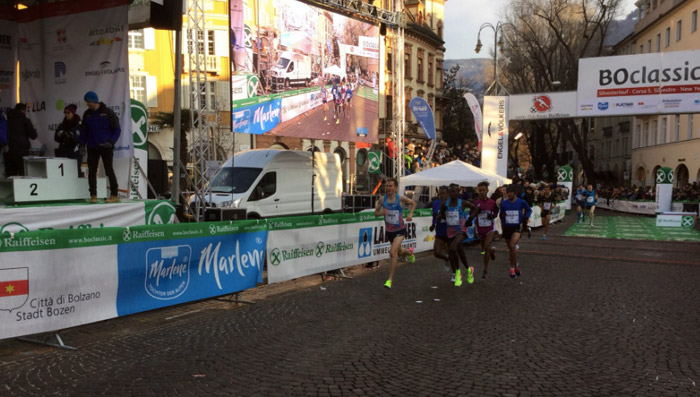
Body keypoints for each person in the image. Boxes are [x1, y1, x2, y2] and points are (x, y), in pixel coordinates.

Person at [374, 178, 416, 289]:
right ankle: (409, 252)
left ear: (396, 187)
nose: (388, 188)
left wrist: (410, 215)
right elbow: (375, 213)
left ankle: (390, 280)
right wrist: (381, 213)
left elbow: (413, 203)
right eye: (387, 186)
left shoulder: (400, 198)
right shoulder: (382, 200)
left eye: (391, 186)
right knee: (400, 251)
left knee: (392, 253)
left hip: (400, 230)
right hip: (390, 231)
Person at [80, 91, 120, 203]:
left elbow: (117, 129)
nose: (87, 104)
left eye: (88, 102)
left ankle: (114, 195)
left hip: (106, 146)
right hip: (92, 146)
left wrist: (111, 142)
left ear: (94, 101)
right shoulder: (87, 114)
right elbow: (84, 131)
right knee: (91, 171)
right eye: (86, 102)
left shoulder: (108, 113)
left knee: (109, 170)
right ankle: (93, 195)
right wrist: (82, 144)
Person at [437, 184, 479, 287]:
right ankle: (469, 270)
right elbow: (440, 214)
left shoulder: (462, 203)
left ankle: (458, 273)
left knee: (452, 248)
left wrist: (470, 219)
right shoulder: (445, 204)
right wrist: (439, 217)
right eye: (450, 192)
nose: (452, 194)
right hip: (450, 231)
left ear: (458, 192)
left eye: (454, 192)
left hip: (461, 230)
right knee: (460, 252)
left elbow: (475, 208)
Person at [499, 185, 532, 279]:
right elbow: (501, 215)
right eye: (507, 192)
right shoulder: (504, 203)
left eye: (511, 192)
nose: (509, 194)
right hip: (507, 228)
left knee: (512, 245)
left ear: (515, 193)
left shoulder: (521, 202)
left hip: (517, 227)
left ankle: (512, 268)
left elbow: (529, 210)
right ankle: (516, 266)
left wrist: (526, 217)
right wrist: (503, 216)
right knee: (511, 249)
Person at [4, 103, 37, 177]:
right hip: (21, 151)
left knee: (10, 176)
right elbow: (33, 135)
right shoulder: (24, 120)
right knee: (23, 175)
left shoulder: (6, 119)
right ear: (23, 110)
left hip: (8, 150)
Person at [474, 181, 499, 279]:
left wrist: (492, 215)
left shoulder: (492, 202)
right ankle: (492, 251)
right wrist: (476, 212)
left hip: (490, 228)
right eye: (480, 190)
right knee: (485, 248)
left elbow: (496, 212)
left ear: (487, 190)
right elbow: (472, 214)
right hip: (480, 229)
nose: (482, 192)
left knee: (486, 246)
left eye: (483, 190)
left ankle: (485, 269)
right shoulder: (475, 202)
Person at [54, 104, 83, 177]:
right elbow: (56, 138)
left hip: (75, 152)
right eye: (65, 112)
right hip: (63, 151)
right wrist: (60, 135)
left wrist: (72, 136)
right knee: (64, 173)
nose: (66, 114)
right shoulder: (62, 125)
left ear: (73, 113)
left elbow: (81, 138)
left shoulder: (79, 124)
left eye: (68, 113)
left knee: (75, 171)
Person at [429, 186, 450, 272]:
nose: (441, 195)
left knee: (452, 252)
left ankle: (455, 273)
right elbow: (434, 216)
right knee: (436, 253)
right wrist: (433, 224)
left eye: (443, 193)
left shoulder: (451, 203)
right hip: (440, 231)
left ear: (448, 194)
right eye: (440, 193)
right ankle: (446, 258)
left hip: (450, 231)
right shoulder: (436, 203)